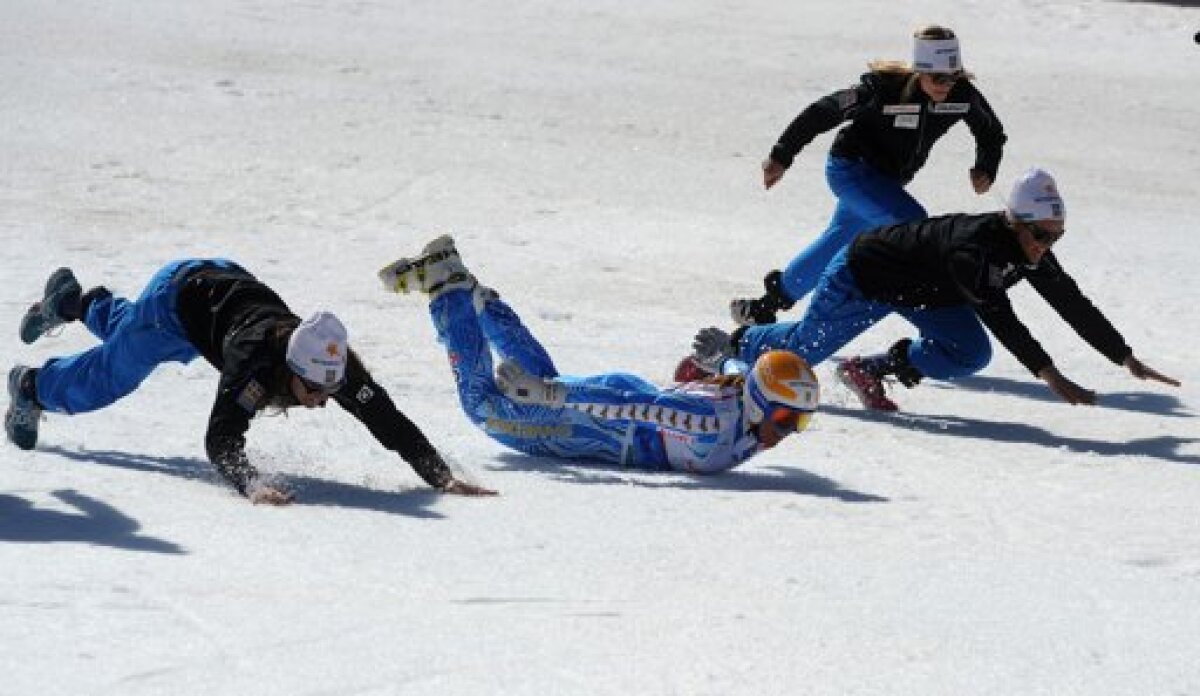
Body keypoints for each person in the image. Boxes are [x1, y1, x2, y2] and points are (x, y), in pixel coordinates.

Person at [5, 259, 495, 503]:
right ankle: (30, 387)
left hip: (221, 284)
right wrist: (252, 484)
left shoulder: (328, 361)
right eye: (315, 393)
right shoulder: (251, 364)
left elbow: (385, 419)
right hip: (177, 300)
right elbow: (220, 439)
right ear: (290, 370)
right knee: (114, 372)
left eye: (330, 390)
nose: (325, 402)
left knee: (128, 336)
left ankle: (71, 301)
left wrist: (441, 475)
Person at [692, 168, 1179, 411]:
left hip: (924, 294)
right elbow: (999, 313)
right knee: (803, 355)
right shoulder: (973, 250)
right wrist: (1050, 376)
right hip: (865, 277)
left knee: (969, 353)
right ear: (1016, 222)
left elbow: (1069, 301)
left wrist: (1124, 356)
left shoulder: (1028, 246)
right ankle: (728, 346)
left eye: (1058, 237)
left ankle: (872, 369)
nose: (1047, 247)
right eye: (1043, 235)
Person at [377, 236, 820, 473]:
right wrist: (550, 397)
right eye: (786, 420)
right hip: (600, 425)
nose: (789, 434)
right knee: (484, 407)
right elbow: (636, 407)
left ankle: (467, 288)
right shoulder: (713, 424)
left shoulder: (749, 401)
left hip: (612, 409)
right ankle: (448, 290)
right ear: (762, 403)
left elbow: (747, 372)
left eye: (798, 423)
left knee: (538, 376)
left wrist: (726, 359)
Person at [731, 25, 1007, 327]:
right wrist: (781, 156)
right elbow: (821, 112)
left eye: (953, 76)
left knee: (838, 242)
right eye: (937, 77)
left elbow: (991, 132)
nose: (946, 85)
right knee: (912, 224)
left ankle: (765, 306)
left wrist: (985, 167)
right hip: (850, 169)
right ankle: (929, 307)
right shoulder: (883, 88)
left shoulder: (962, 94)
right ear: (919, 71)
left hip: (887, 183)